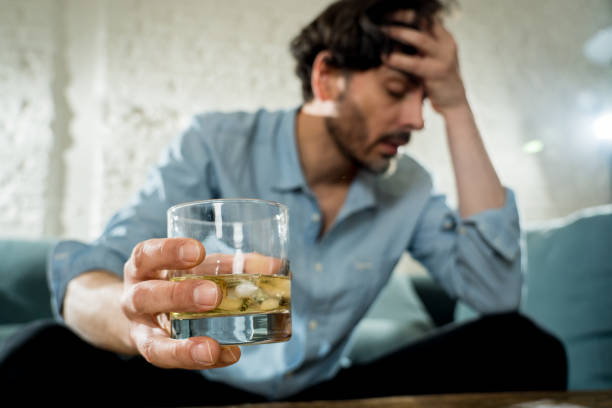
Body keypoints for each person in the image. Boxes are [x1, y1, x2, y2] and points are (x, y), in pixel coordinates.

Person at [0, 0, 566, 405]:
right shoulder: (215, 142)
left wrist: (459, 107)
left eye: (429, 99)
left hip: (323, 396)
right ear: (328, 79)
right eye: (398, 91)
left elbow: (495, 298)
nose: (417, 119)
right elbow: (92, 272)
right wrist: (130, 318)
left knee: (522, 345)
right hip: (196, 385)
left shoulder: (408, 186)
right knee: (42, 353)